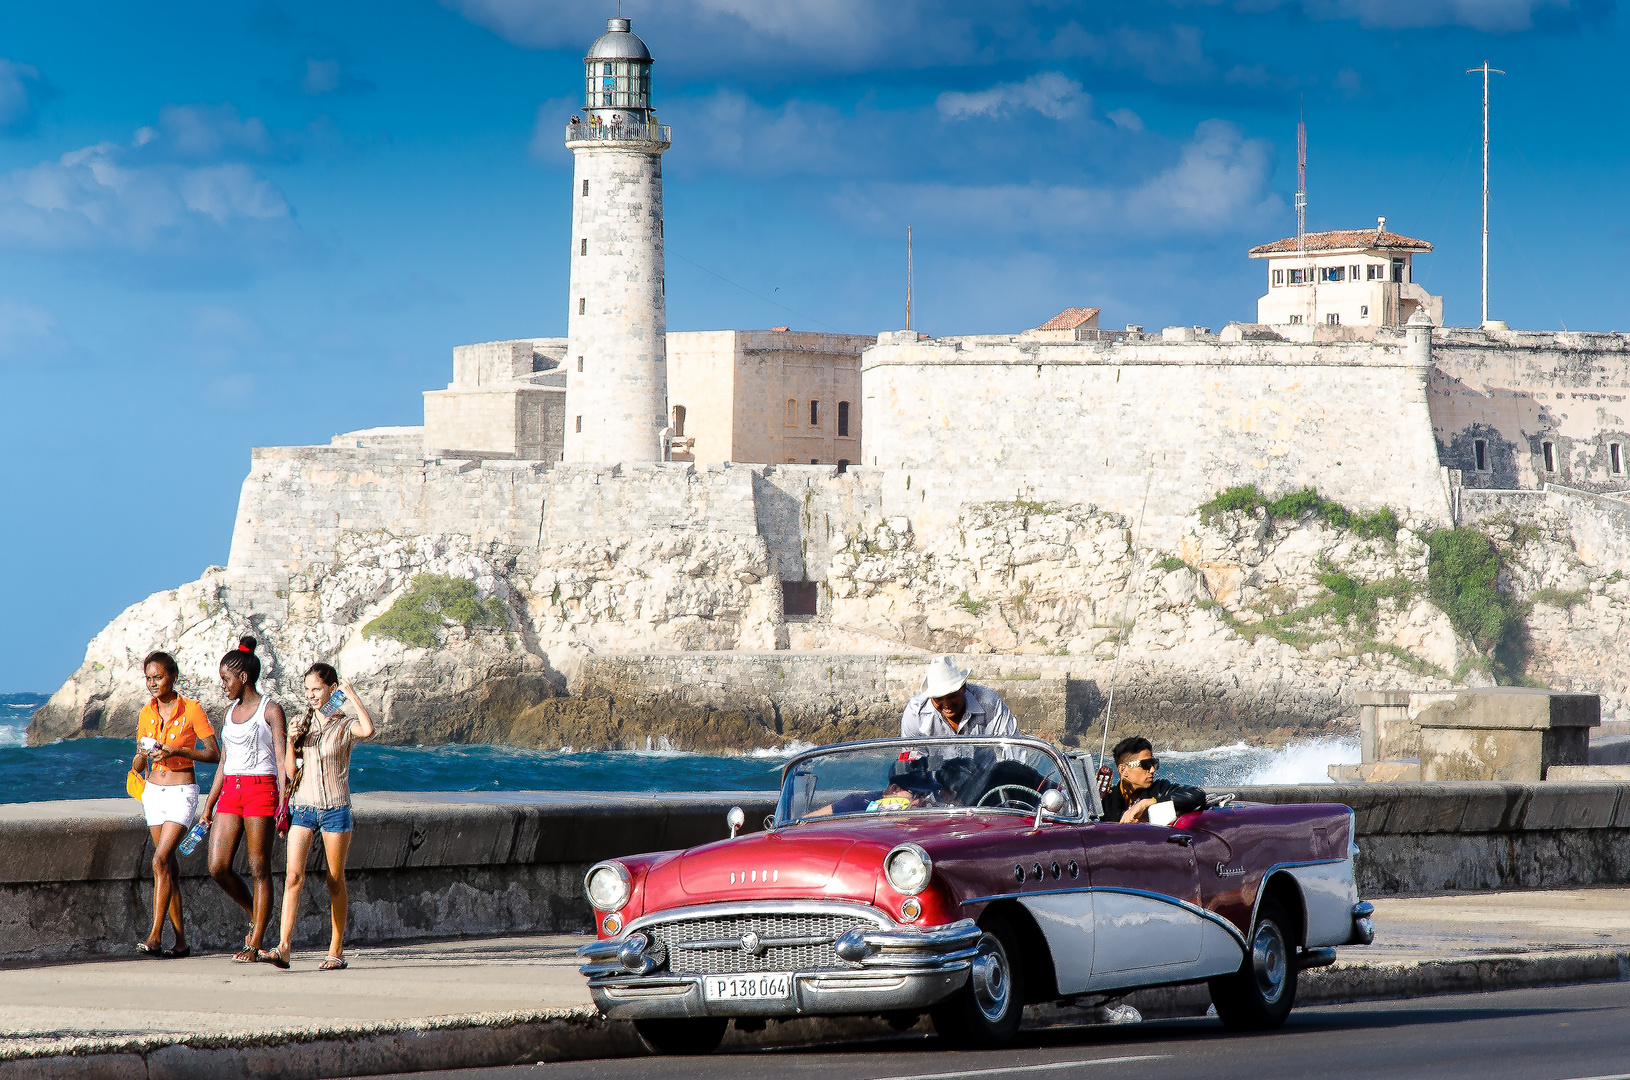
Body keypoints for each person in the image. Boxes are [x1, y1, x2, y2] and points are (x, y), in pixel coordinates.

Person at [272, 662, 375, 971]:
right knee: (293, 876)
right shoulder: (302, 724)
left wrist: (352, 696)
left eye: (316, 689)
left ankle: (336, 949)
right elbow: (292, 773)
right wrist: (291, 742)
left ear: (330, 689)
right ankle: (284, 947)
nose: (311, 695)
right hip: (303, 808)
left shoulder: (344, 725)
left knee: (334, 880)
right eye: (307, 690)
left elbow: (368, 730)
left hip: (335, 809)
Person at [199, 636, 287, 964]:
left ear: (243, 678)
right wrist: (208, 805)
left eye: (226, 679)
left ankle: (256, 941)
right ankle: (256, 913)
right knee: (217, 866)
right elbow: (224, 761)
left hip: (261, 789)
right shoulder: (228, 711)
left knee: (259, 868)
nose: (223, 686)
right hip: (230, 792)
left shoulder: (271, 710)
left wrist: (284, 801)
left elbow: (281, 758)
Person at [131, 650, 220, 957]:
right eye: (149, 678)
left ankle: (154, 937)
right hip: (153, 793)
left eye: (159, 677)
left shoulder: (192, 709)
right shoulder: (146, 712)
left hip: (183, 791)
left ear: (173, 677)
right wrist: (143, 756)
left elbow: (214, 753)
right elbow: (139, 758)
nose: (153, 683)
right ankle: (180, 942)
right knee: (168, 866)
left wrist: (175, 753)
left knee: (158, 860)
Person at [899, 657, 1020, 739]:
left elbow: (1013, 749)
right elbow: (910, 760)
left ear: (963, 688)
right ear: (930, 696)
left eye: (952, 696)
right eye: (939, 698)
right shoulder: (915, 713)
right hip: (934, 777)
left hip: (986, 776)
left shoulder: (990, 703)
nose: (946, 704)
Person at [1100, 736, 1205, 824]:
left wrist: (1148, 803)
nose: (1152, 769)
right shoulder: (1107, 800)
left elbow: (1196, 795)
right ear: (1123, 770)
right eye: (1145, 765)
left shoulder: (1159, 790)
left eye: (1153, 763)